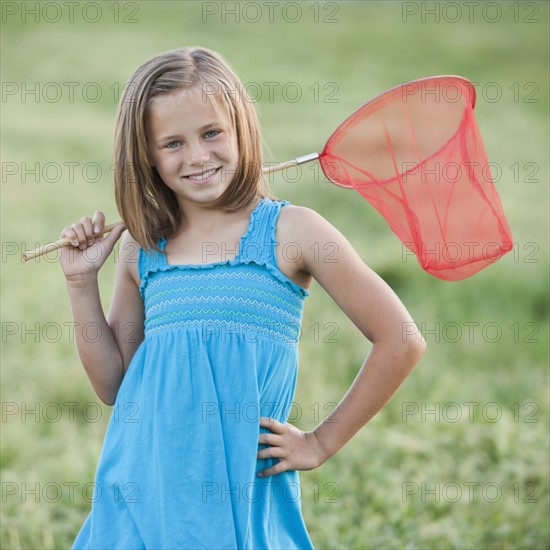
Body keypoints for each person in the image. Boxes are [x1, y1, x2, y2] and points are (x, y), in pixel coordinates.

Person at [60, 46, 426, 549]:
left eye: (212, 133)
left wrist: (320, 442)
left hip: (239, 492)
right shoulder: (143, 248)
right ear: (145, 155)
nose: (197, 156)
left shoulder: (293, 232)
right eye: (172, 143)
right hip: (143, 487)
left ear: (241, 129)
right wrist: (82, 285)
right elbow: (112, 386)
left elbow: (401, 339)